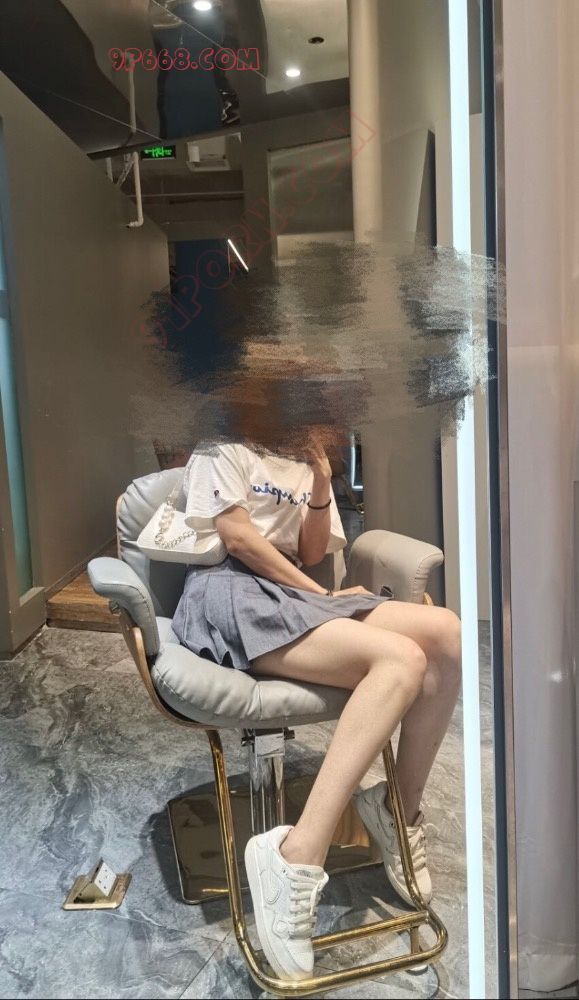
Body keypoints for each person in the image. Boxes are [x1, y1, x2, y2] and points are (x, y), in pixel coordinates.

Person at [171, 430, 461, 983]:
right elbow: (237, 539)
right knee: (401, 661)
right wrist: (323, 596)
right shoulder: (220, 447)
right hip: (230, 589)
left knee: (446, 634)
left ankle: (397, 810)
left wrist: (322, 478)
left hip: (294, 588)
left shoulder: (301, 456)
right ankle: (294, 856)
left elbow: (308, 552)